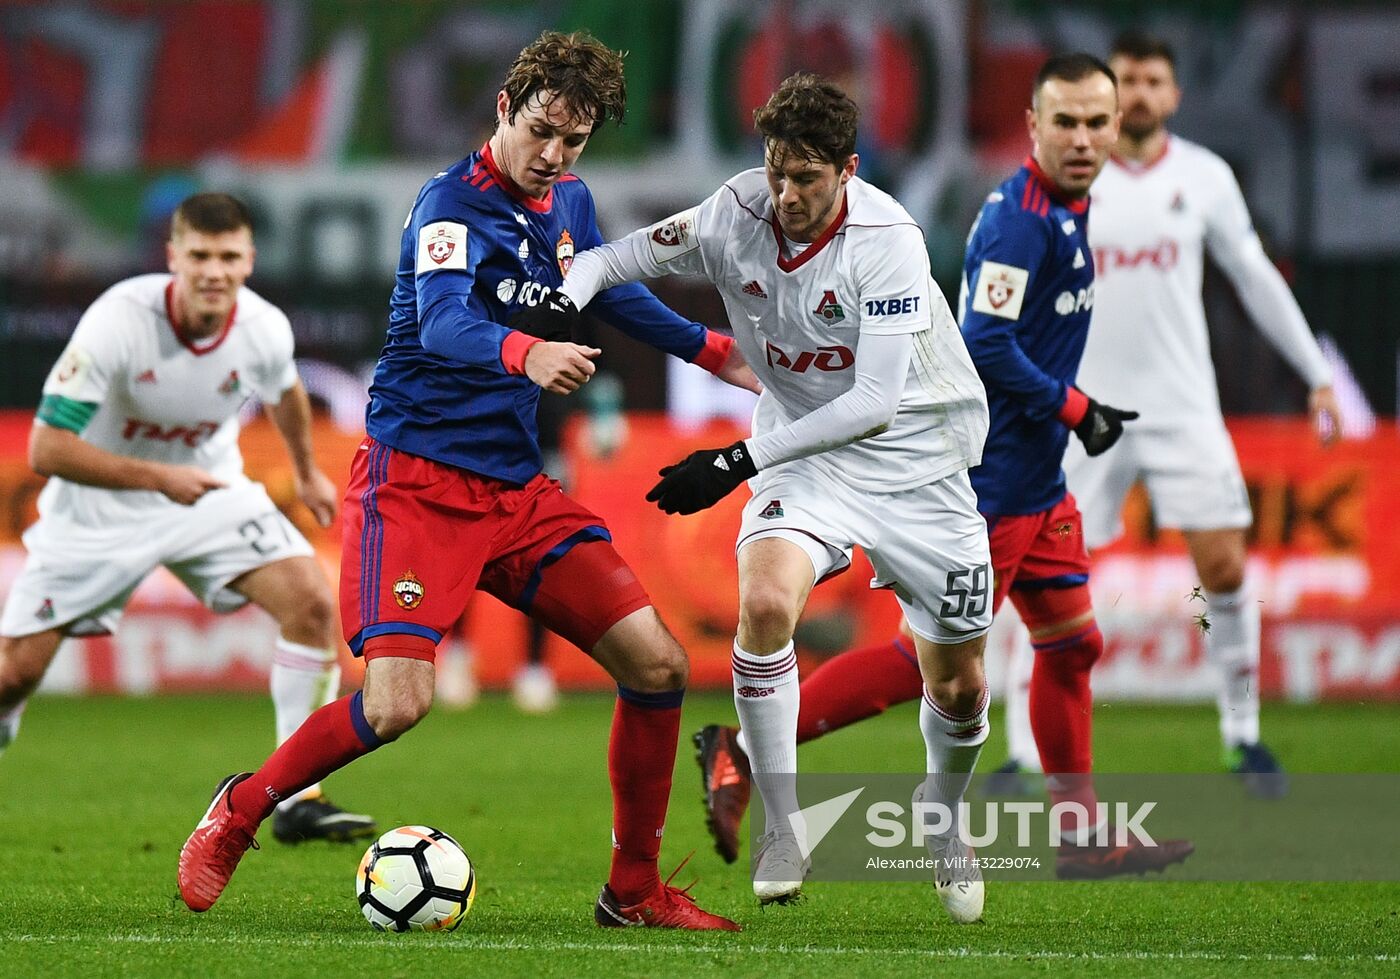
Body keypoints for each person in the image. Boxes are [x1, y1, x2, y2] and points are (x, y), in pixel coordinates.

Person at [177, 31, 754, 931]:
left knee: (658, 663)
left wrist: (720, 353)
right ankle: (241, 809)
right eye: (541, 133)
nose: (554, 157)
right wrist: (528, 352)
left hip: (513, 493)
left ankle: (633, 891)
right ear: (504, 108)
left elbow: (605, 290)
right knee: (398, 702)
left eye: (574, 141)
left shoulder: (569, 201)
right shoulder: (449, 206)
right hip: (416, 489)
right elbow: (446, 325)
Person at [693, 54, 1195, 881]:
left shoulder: (1072, 209)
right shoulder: (1018, 222)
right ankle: (743, 755)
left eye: (1096, 123)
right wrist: (1080, 409)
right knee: (927, 667)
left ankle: (1079, 831)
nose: (1082, 139)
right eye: (1063, 122)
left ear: (1119, 128)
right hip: (987, 478)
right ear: (1033, 126)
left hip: (1039, 477)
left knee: (1072, 644)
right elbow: (990, 344)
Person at [539, 73, 996, 923]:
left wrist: (734, 460)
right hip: (806, 457)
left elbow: (875, 402)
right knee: (764, 605)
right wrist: (564, 301)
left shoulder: (887, 239)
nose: (786, 195)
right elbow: (611, 259)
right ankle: (783, 826)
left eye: (807, 179)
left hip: (919, 461)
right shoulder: (732, 213)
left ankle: (946, 815)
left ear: (848, 170)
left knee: (962, 683)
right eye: (777, 172)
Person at [988, 31, 1342, 800]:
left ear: (1173, 96)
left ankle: (1244, 737)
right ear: (1108, 103)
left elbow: (1254, 279)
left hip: (1182, 404)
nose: (1141, 94)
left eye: (1154, 81)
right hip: (1080, 410)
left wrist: (1315, 374)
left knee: (1222, 566)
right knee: (1035, 578)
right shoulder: (1062, 186)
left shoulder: (1205, 178)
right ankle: (1019, 755)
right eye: (1129, 82)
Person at [0, 192, 376, 845]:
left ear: (249, 260)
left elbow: (285, 390)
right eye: (199, 255)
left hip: (208, 488)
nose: (213, 270)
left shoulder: (261, 326)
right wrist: (156, 476)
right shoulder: (117, 321)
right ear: (173, 257)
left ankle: (294, 796)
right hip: (99, 508)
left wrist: (308, 467)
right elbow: (46, 449)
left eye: (228, 256)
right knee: (15, 673)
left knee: (313, 604)